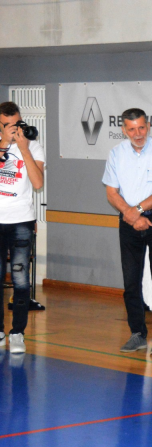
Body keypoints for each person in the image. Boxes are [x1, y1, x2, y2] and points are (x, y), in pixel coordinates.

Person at [102, 108, 152, 355]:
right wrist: (131, 214)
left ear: (148, 126)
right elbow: (111, 192)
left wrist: (139, 210)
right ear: (124, 130)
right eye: (132, 129)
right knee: (131, 282)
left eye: (141, 127)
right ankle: (137, 334)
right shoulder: (116, 153)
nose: (138, 133)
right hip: (129, 223)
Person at [0, 102, 44, 354]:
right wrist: (4, 144)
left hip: (21, 221)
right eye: (7, 125)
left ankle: (17, 333)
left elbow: (37, 183)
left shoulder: (33, 145)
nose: (14, 129)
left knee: (20, 278)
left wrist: (24, 149)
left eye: (16, 123)